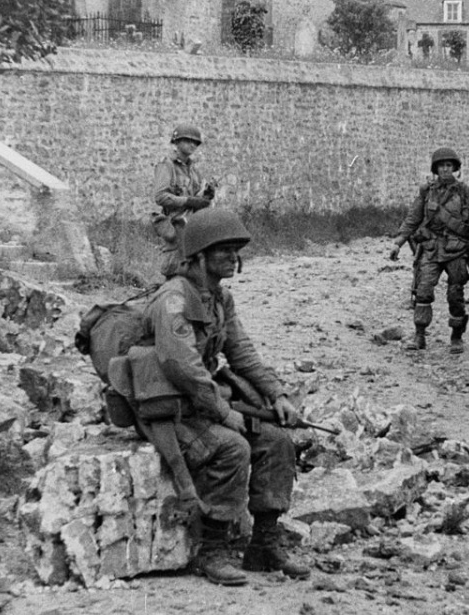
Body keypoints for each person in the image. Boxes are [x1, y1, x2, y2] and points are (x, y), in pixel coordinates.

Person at [136, 208, 309, 586]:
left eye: (235, 250)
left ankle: (264, 544)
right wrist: (223, 411)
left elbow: (242, 351)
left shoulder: (218, 298)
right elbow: (182, 366)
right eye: (224, 251)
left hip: (201, 403)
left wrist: (276, 394)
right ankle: (210, 551)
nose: (233, 258)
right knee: (232, 447)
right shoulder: (173, 301)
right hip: (168, 407)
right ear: (198, 255)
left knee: (277, 440)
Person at [389, 147, 469, 354]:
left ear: (455, 168)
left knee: (455, 294)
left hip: (456, 249)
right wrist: (398, 242)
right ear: (435, 169)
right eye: (441, 166)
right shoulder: (427, 191)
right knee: (422, 291)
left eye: (449, 166)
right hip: (431, 248)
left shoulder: (464, 191)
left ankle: (456, 336)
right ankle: (419, 335)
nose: (445, 170)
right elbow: (412, 219)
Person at [152, 124, 216, 277]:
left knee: (197, 270)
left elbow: (197, 199)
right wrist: (188, 201)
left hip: (193, 226)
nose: (192, 145)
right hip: (175, 226)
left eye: (195, 142)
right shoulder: (167, 165)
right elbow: (160, 196)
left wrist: (206, 196)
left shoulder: (193, 169)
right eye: (187, 141)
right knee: (175, 270)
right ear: (177, 142)